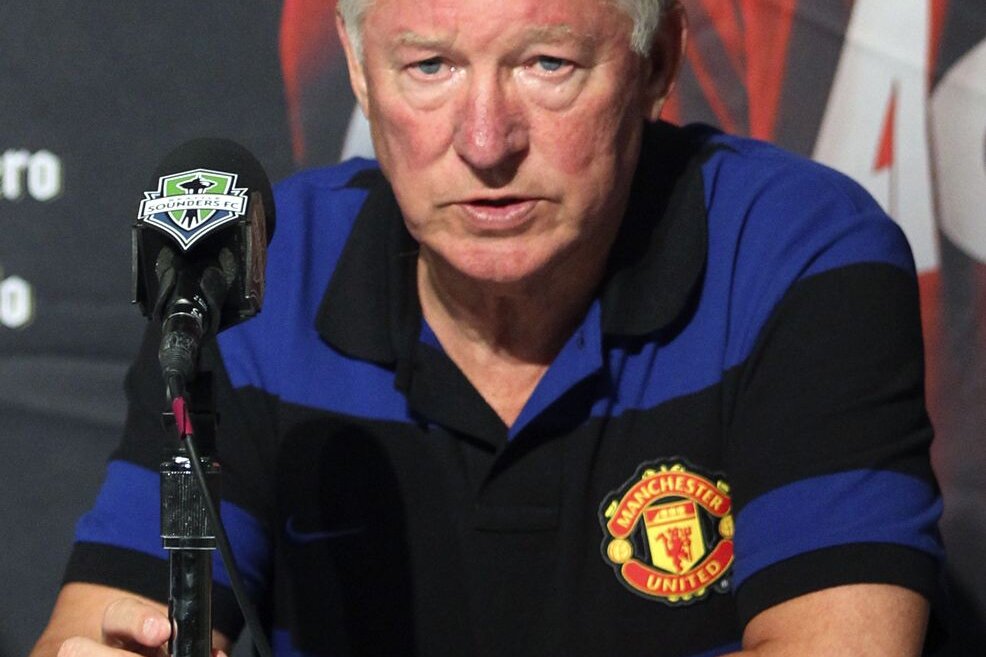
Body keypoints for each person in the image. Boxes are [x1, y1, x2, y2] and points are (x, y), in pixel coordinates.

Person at [32, 0, 943, 656]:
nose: (485, 141)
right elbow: (104, 621)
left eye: (547, 64)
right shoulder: (254, 273)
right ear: (360, 72)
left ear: (656, 64)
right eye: (429, 67)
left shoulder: (793, 254)